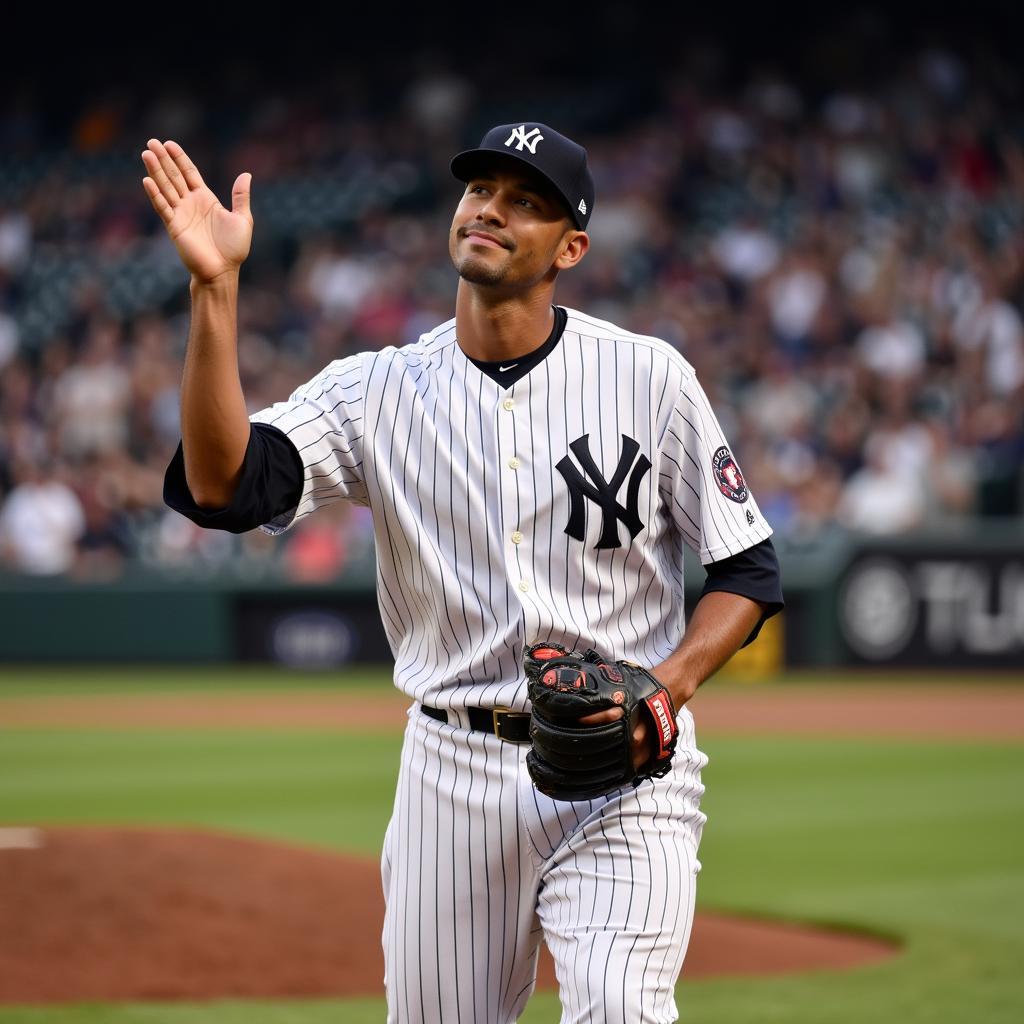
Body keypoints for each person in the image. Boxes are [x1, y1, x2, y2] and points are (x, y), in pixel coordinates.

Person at [142, 121, 783, 1023]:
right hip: (452, 772)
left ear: (572, 247)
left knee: (623, 1011)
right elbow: (222, 485)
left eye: (526, 200)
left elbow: (747, 571)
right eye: (481, 188)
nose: (491, 208)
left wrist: (664, 693)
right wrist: (215, 290)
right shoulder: (375, 389)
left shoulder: (650, 377)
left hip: (627, 774)